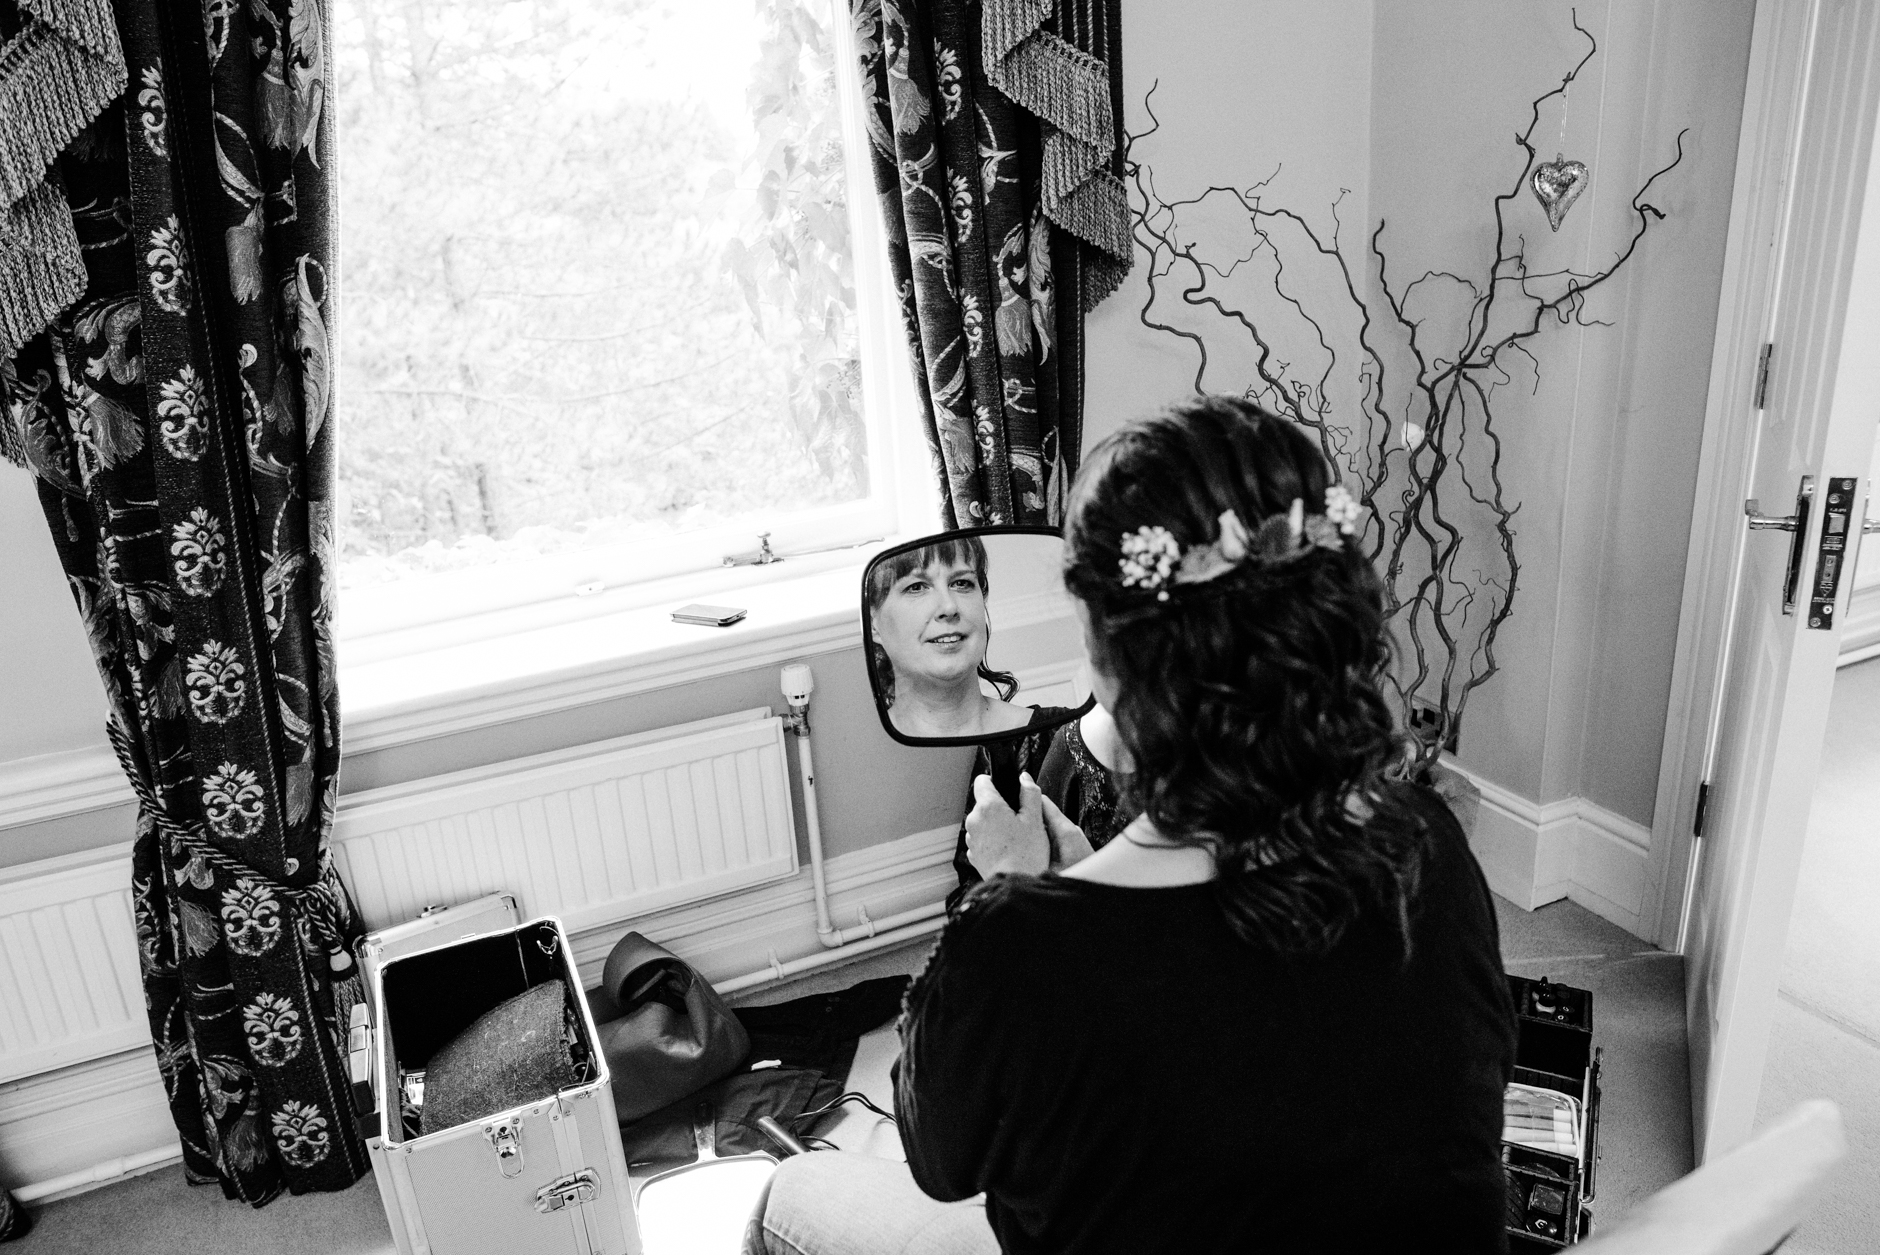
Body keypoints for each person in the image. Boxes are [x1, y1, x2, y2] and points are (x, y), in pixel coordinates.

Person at [747, 396, 1516, 1254]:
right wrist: (1084, 878)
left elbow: (939, 1159)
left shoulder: (1020, 950)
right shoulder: (1428, 842)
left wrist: (1013, 897)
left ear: (1112, 657)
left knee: (793, 1191)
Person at [867, 535, 1035, 740]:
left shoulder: (1062, 736)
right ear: (873, 624)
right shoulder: (860, 753)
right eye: (916, 587)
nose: (949, 607)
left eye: (961, 583)